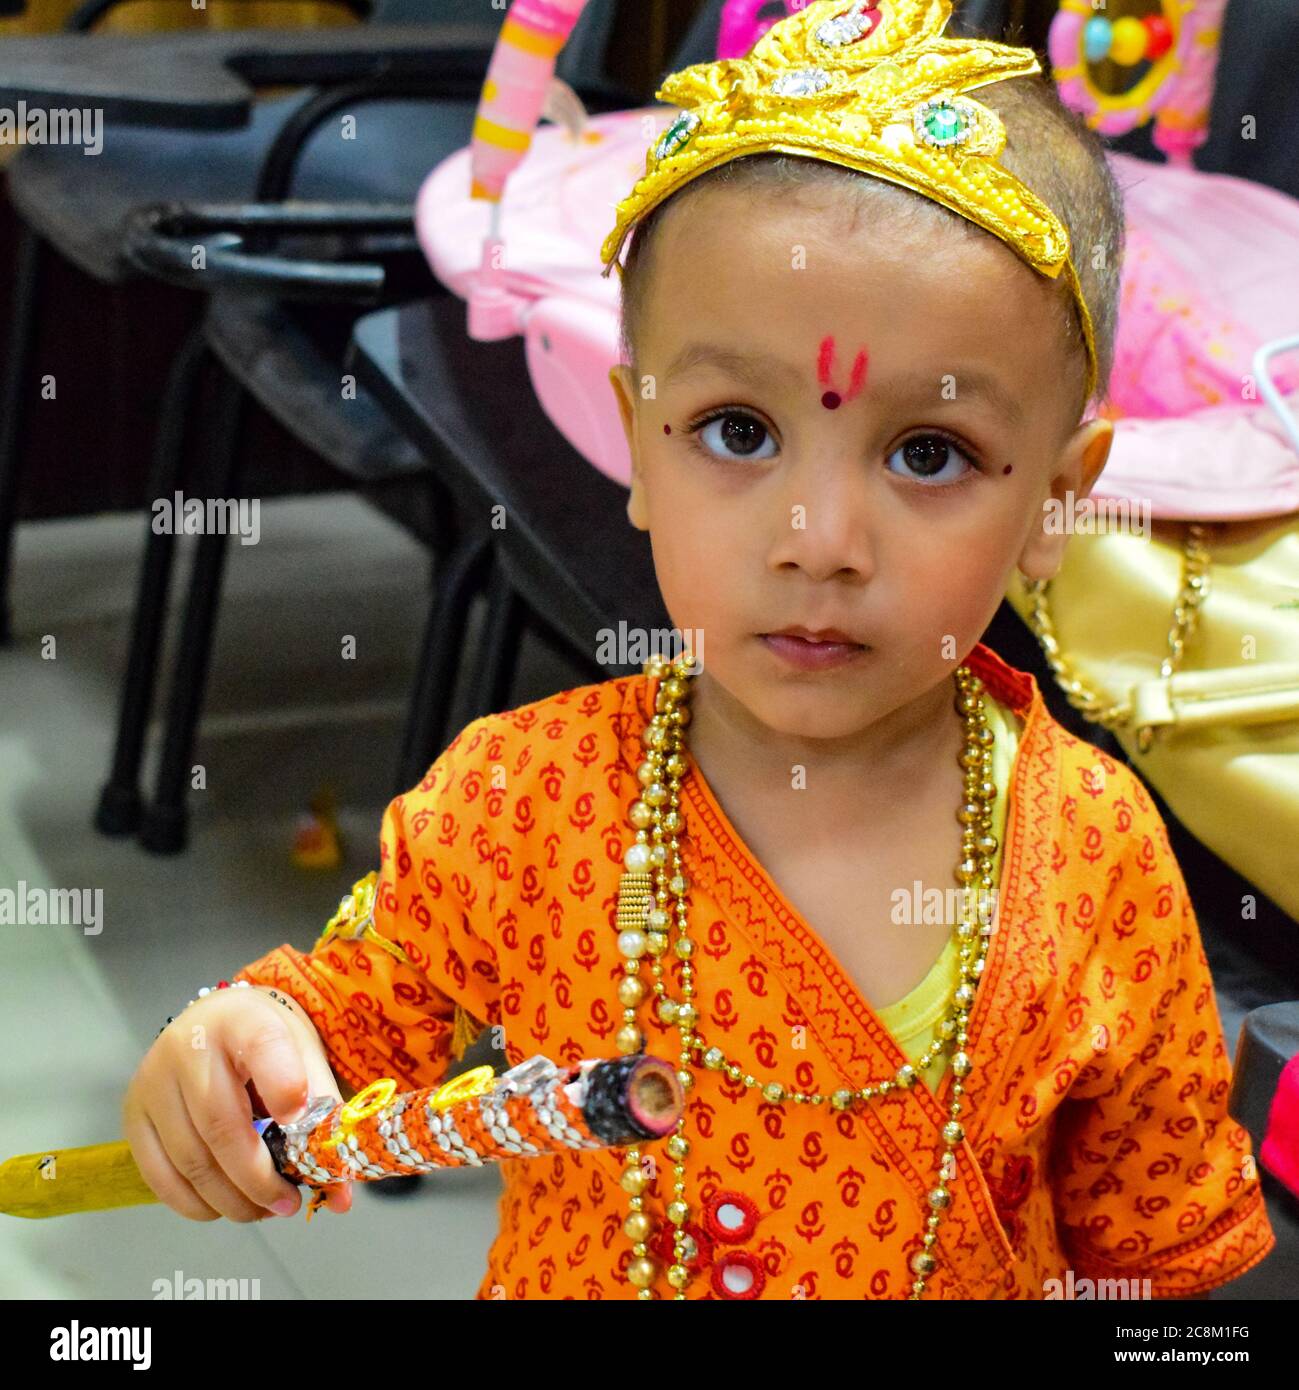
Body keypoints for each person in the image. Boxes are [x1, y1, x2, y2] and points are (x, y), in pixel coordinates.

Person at [120, 0, 1277, 1299]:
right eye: (736, 431)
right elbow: (343, 1019)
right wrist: (239, 1046)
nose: (820, 539)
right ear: (636, 441)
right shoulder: (520, 800)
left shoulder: (1100, 854)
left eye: (928, 454)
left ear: (1059, 500)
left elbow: (1161, 1261)